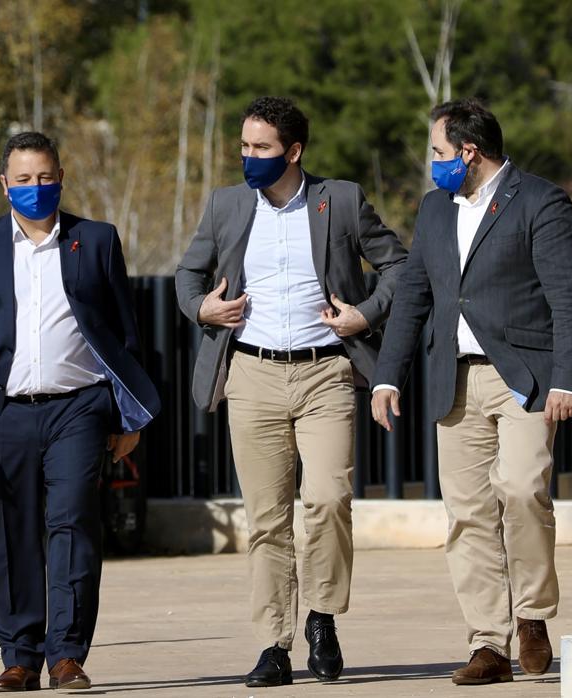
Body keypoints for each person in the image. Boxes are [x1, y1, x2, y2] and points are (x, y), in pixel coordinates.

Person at [175, 96, 408, 687]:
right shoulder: (226, 205)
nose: (249, 157)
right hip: (250, 373)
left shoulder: (343, 199)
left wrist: (365, 315)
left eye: (262, 148)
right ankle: (273, 644)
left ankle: (322, 616)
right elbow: (188, 274)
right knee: (266, 519)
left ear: (294, 151)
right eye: (245, 146)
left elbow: (400, 269)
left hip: (325, 370)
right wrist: (204, 307)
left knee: (328, 499)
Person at [0, 132, 160, 693]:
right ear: (4, 184)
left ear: (60, 178)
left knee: (73, 522)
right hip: (2, 413)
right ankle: (20, 656)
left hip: (79, 407)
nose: (35, 188)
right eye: (23, 179)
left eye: (45, 177)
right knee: (12, 532)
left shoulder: (95, 241)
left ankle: (67, 655)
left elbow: (124, 333)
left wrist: (126, 417)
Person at [371, 98, 572, 685]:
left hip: (524, 376)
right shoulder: (436, 209)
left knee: (521, 491)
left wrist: (567, 378)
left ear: (469, 152)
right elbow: (414, 292)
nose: (433, 163)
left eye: (439, 152)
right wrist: (388, 373)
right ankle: (488, 643)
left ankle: (533, 614)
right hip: (454, 378)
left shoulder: (541, 202)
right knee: (466, 515)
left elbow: (568, 297)